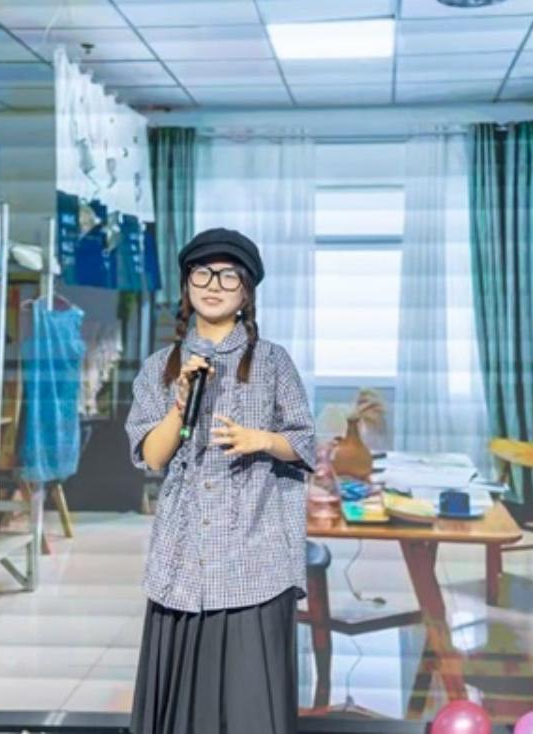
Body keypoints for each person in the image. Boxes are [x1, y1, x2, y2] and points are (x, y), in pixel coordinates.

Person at [126, 227, 316, 734]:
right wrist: (179, 403)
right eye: (202, 273)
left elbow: (305, 444)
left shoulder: (272, 362)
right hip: (183, 557)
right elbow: (152, 456)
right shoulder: (159, 367)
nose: (214, 285)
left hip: (256, 554)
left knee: (250, 704)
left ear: (246, 291)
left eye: (229, 276)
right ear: (187, 284)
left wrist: (262, 440)